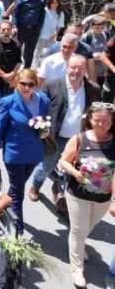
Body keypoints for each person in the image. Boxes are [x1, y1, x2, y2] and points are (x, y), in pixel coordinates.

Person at [30, 55, 100, 212]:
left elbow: (95, 113)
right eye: (74, 67)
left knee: (74, 170)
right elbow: (39, 109)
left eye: (81, 68)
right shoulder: (52, 84)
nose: (77, 71)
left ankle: (66, 198)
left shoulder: (93, 89)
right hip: (55, 137)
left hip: (79, 140)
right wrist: (41, 129)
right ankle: (35, 186)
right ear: (67, 67)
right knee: (46, 167)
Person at [58, 103, 115, 288]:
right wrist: (75, 174)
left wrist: (114, 198)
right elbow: (63, 161)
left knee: (89, 225)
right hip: (78, 194)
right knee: (78, 230)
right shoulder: (80, 138)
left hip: (103, 198)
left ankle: (79, 245)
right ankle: (77, 270)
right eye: (97, 120)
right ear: (90, 119)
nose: (101, 124)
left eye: (105, 121)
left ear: (112, 121)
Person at [0, 68, 51, 234]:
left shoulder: (43, 100)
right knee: (18, 194)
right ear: (16, 83)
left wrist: (47, 130)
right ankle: (18, 231)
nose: (26, 87)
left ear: (36, 85)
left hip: (34, 153)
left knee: (15, 188)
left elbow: (47, 122)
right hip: (15, 154)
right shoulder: (8, 102)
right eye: (23, 83)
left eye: (31, 84)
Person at [0, 21, 22, 112]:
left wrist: (13, 74)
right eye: (3, 29)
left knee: (7, 108)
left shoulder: (17, 44)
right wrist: (6, 77)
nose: (6, 32)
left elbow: (19, 62)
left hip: (10, 84)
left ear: (11, 31)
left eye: (8, 29)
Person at [12, 0, 46, 68]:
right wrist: (14, 26)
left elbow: (42, 14)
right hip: (21, 28)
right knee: (16, 50)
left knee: (30, 52)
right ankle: (14, 70)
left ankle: (26, 70)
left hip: (34, 29)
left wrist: (39, 27)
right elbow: (15, 13)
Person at [33, 0, 65, 69]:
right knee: (37, 52)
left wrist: (54, 35)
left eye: (56, 3)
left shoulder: (60, 14)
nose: (55, 5)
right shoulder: (44, 11)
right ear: (50, 3)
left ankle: (48, 69)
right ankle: (34, 68)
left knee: (50, 53)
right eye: (53, 3)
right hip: (41, 35)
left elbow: (59, 26)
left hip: (52, 36)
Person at [82, 15, 110, 87]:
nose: (100, 30)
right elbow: (80, 54)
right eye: (97, 28)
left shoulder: (106, 34)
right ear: (91, 26)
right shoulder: (87, 37)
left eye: (102, 28)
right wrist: (92, 56)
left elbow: (110, 50)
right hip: (91, 73)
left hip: (105, 72)